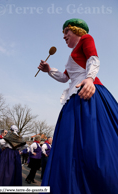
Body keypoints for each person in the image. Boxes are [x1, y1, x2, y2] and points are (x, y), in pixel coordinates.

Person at [38, 18, 118, 194]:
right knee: (70, 147)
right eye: (63, 33)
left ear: (76, 30)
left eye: (66, 31)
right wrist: (49, 70)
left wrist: (89, 79)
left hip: (87, 92)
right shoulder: (71, 55)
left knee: (92, 145)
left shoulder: (86, 38)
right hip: (73, 98)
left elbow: (93, 58)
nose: (64, 35)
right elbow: (65, 78)